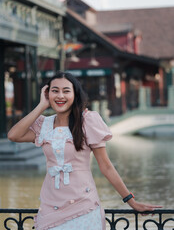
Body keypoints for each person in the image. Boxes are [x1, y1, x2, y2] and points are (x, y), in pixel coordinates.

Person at [8, 72, 162, 230]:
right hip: (50, 207)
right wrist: (41, 106)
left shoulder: (87, 121)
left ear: (75, 94)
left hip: (84, 207)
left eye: (66, 91)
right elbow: (13, 135)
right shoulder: (44, 125)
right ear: (47, 94)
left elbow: (106, 166)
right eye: (55, 91)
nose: (60, 95)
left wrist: (131, 200)